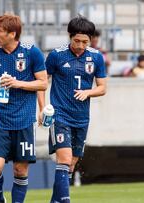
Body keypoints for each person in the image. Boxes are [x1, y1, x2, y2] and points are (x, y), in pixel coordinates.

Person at [0, 14, 48, 203]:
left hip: (25, 120)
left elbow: (43, 83)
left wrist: (17, 83)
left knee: (20, 169)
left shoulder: (32, 53)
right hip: (0, 120)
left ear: (12, 34)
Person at [43, 15, 107, 203]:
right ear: (70, 36)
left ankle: (55, 201)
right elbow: (42, 82)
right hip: (60, 114)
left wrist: (88, 92)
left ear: (91, 40)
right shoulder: (56, 55)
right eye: (76, 40)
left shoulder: (96, 57)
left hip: (81, 117)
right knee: (64, 159)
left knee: (71, 164)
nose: (80, 45)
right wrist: (43, 107)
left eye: (85, 41)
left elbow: (102, 88)